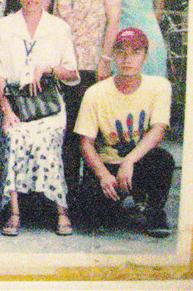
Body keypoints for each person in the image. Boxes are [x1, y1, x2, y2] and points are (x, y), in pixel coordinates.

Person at [0, 0, 79, 236]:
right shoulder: (4, 26)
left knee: (45, 140)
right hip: (16, 103)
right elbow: (0, 73)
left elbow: (72, 73)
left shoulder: (59, 27)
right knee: (15, 137)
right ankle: (14, 211)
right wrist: (6, 110)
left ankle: (61, 210)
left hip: (48, 105)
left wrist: (47, 69)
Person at [74, 27, 173, 238]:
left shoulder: (159, 86)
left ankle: (153, 210)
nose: (127, 59)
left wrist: (129, 161)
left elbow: (158, 130)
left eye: (135, 52)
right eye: (121, 52)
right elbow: (85, 143)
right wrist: (103, 174)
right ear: (113, 55)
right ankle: (118, 204)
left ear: (145, 56)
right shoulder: (95, 93)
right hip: (108, 166)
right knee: (92, 218)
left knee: (162, 159)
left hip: (138, 163)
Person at [53, 0, 121, 196]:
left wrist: (106, 59)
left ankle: (92, 196)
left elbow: (113, 20)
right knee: (67, 133)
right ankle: (67, 196)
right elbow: (54, 22)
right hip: (65, 66)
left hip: (94, 65)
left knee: (91, 133)